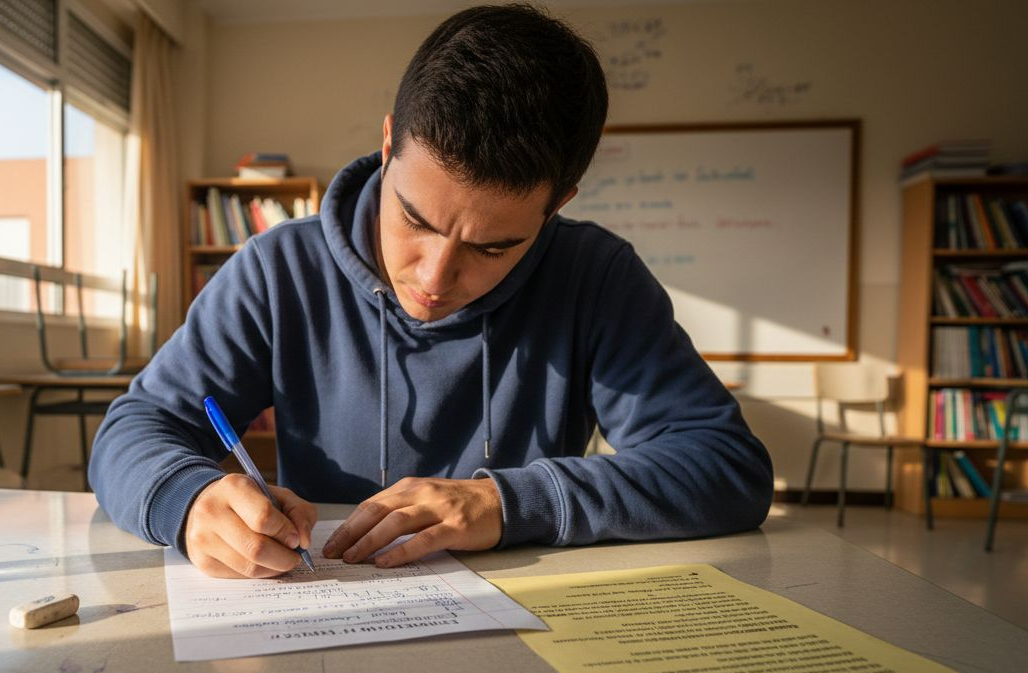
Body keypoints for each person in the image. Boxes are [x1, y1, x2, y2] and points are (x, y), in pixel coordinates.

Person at [90, 4, 773, 579]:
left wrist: (508, 503)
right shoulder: (278, 271)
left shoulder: (595, 277)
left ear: (557, 204)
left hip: (527, 627)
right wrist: (189, 499)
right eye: (415, 220)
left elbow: (725, 467)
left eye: (492, 247)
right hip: (327, 617)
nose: (434, 278)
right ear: (389, 143)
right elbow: (132, 431)